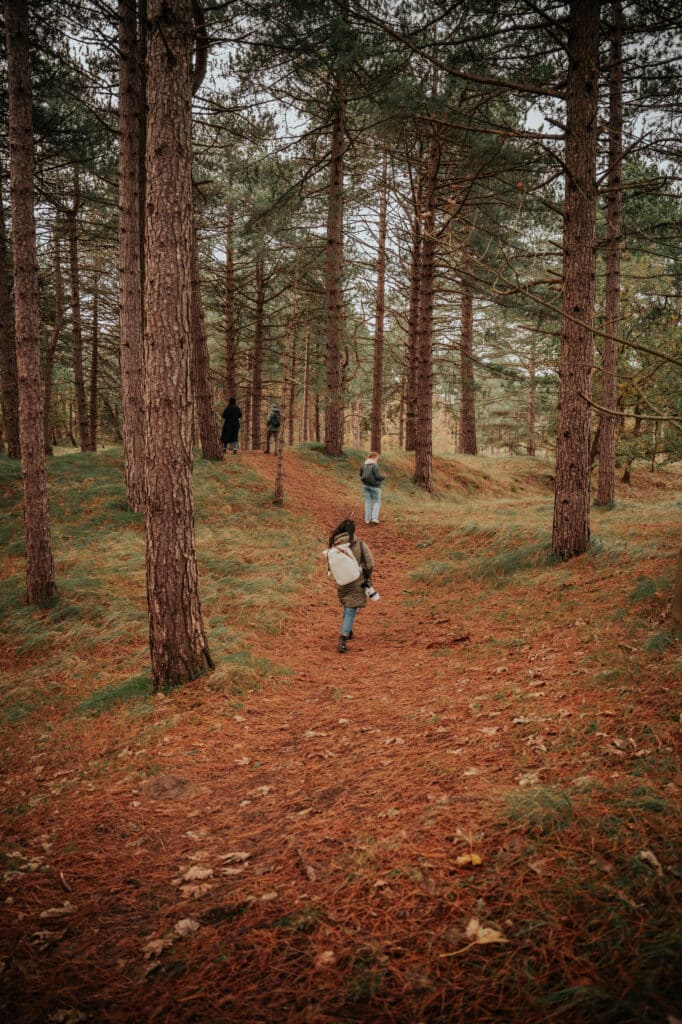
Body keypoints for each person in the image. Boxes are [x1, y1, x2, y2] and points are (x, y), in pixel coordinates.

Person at [326, 518, 375, 653]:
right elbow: (370, 564)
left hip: (341, 582)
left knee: (348, 605)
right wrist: (366, 576)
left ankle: (349, 629)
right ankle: (343, 636)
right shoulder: (359, 545)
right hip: (356, 581)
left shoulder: (334, 546)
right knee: (351, 608)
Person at [359, 451, 386, 525]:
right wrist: (384, 476)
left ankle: (367, 520)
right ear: (374, 458)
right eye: (377, 458)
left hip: (365, 486)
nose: (377, 460)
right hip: (375, 487)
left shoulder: (363, 465)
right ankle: (374, 519)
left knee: (367, 502)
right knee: (377, 502)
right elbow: (378, 477)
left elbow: (360, 475)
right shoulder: (375, 465)